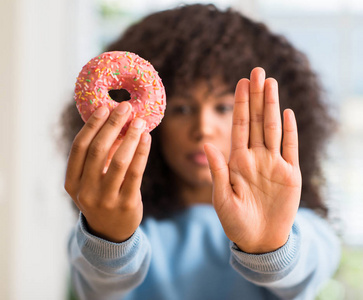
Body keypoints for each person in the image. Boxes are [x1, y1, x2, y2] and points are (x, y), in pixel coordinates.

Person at [61, 4, 340, 300]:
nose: (203, 128)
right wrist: (108, 238)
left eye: (222, 107)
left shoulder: (296, 228)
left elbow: (306, 267)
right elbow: (99, 286)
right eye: (182, 108)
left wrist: (271, 247)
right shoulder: (116, 228)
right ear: (159, 123)